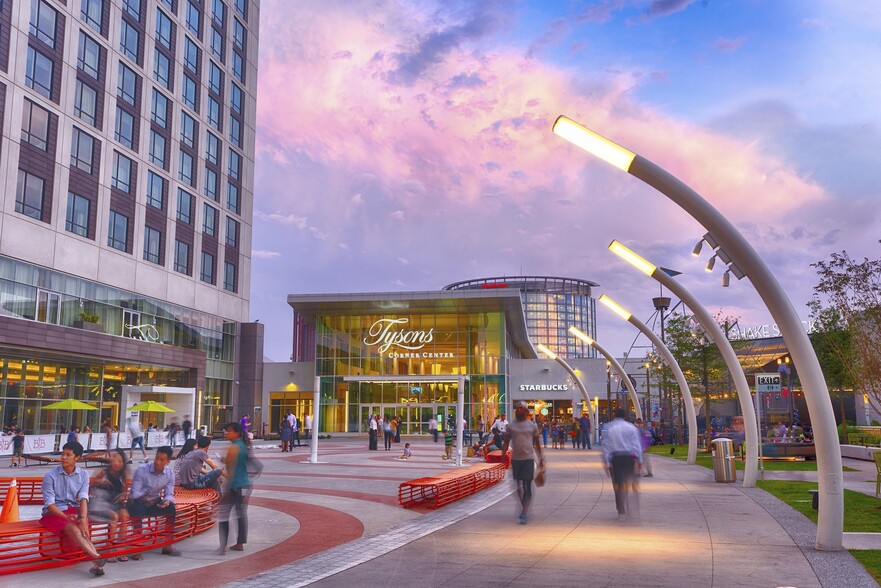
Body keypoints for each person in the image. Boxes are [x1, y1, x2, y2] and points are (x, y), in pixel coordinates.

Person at [40, 441, 107, 576]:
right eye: (63, 454)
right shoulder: (51, 476)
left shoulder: (83, 475)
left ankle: (96, 563)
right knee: (73, 528)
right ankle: (96, 558)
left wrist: (82, 518)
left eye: (68, 455)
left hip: (72, 510)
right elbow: (50, 504)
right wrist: (66, 517)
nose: (63, 457)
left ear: (77, 458)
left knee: (83, 527)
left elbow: (83, 498)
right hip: (53, 513)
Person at [128, 446, 180, 558]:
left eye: (162, 460)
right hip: (138, 501)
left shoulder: (169, 474)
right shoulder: (142, 470)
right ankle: (137, 545)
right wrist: (146, 496)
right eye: (157, 458)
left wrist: (167, 501)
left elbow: (169, 493)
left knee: (171, 508)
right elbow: (135, 493)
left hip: (154, 501)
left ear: (168, 461)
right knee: (138, 510)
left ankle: (167, 544)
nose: (157, 462)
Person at [501, 401, 544, 525]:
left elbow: (537, 443)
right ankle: (523, 507)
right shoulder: (511, 426)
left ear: (526, 411)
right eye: (517, 408)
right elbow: (505, 442)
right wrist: (503, 455)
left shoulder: (532, 426)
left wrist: (541, 458)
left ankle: (524, 511)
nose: (519, 410)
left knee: (527, 485)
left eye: (521, 409)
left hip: (528, 459)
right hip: (516, 459)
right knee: (517, 486)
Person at [602, 408, 644, 520]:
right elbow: (636, 445)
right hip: (629, 458)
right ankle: (631, 507)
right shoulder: (632, 428)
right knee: (629, 482)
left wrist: (607, 462)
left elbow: (606, 446)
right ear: (625, 417)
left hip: (616, 459)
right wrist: (639, 461)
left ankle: (621, 510)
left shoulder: (609, 427)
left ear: (614, 416)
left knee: (617, 485)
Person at [218, 421, 252, 554]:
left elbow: (231, 471)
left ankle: (223, 545)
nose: (226, 433)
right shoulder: (243, 445)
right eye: (226, 430)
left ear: (236, 433)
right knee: (241, 514)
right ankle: (240, 543)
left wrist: (225, 485)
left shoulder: (232, 448)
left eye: (229, 431)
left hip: (235, 486)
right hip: (245, 484)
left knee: (223, 513)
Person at [89, 449, 130, 556]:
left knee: (124, 515)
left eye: (120, 462)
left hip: (115, 503)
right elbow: (90, 486)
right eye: (115, 461)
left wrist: (123, 495)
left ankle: (121, 548)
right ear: (111, 461)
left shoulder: (123, 475)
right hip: (101, 504)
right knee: (114, 516)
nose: (117, 464)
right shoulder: (104, 472)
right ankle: (110, 548)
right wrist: (100, 482)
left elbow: (124, 491)